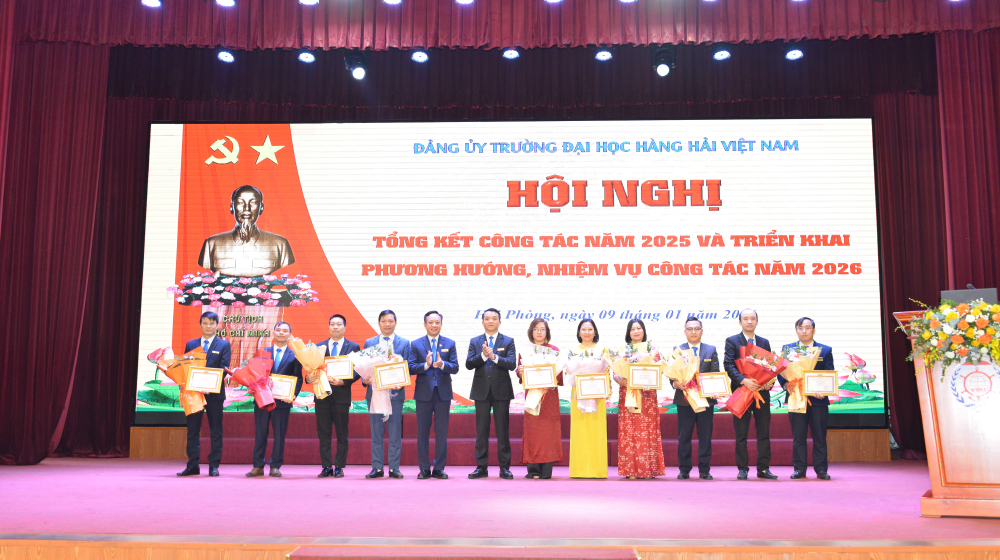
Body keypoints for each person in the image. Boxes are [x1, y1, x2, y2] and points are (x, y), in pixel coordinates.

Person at [723, 308, 778, 480]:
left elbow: (770, 367)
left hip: (761, 394)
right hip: (742, 392)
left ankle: (763, 468)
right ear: (740, 322)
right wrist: (743, 380)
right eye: (745, 319)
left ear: (757, 322)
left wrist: (769, 382)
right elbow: (728, 365)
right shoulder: (732, 341)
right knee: (741, 433)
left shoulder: (764, 342)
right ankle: (742, 469)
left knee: (764, 432)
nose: (749, 321)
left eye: (752, 318)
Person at [177, 311, 232, 477]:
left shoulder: (224, 345)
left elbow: (224, 368)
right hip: (194, 393)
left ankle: (214, 465)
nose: (208, 326)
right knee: (193, 430)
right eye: (205, 323)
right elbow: (186, 367)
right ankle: (193, 465)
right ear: (200, 325)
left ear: (217, 325)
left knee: (216, 430)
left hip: (214, 394)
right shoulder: (191, 344)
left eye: (212, 323)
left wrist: (209, 384)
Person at [778, 317, 834, 480]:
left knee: (820, 437)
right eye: (800, 328)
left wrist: (823, 390)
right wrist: (785, 384)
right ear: (796, 330)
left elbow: (829, 372)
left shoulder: (825, 350)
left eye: (808, 328)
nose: (804, 331)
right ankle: (799, 469)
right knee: (799, 437)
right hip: (796, 397)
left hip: (818, 401)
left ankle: (821, 470)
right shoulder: (787, 349)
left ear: (813, 330)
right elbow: (780, 371)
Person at [466, 308, 517, 479]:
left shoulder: (508, 341)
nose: (490, 321)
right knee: (481, 431)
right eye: (487, 318)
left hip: (502, 391)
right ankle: (481, 467)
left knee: (503, 431)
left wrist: (494, 357)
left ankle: (504, 468)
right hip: (481, 391)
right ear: (482, 322)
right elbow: (469, 364)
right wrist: (483, 355)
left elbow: (512, 364)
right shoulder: (475, 341)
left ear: (499, 322)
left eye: (494, 318)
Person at [198, 185, 294, 277]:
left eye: (253, 202)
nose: (247, 208)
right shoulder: (211, 244)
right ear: (232, 207)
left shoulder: (280, 244)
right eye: (240, 202)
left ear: (261, 208)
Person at [247, 321, 303, 478]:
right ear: (274, 332)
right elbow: (255, 374)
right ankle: (258, 466)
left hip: (282, 402)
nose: (281, 333)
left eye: (285, 331)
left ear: (289, 335)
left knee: (279, 435)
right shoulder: (263, 352)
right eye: (278, 330)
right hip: (262, 400)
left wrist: (293, 394)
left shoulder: (295, 355)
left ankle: (275, 466)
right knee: (260, 433)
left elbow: (298, 378)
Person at [408, 311, 459, 480]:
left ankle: (439, 468)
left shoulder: (450, 343)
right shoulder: (416, 344)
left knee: (441, 432)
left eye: (437, 322)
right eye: (431, 322)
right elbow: (410, 368)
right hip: (423, 394)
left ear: (441, 324)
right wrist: (426, 364)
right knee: (422, 432)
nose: (434, 325)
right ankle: (424, 468)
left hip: (443, 394)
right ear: (425, 324)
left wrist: (442, 364)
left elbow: (455, 367)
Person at [612, 319, 665, 479]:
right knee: (629, 430)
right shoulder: (623, 351)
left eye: (639, 328)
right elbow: (615, 371)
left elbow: (659, 371)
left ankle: (648, 469)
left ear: (643, 331)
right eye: (633, 329)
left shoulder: (652, 350)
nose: (636, 331)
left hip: (647, 395)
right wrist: (619, 380)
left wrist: (650, 380)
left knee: (647, 430)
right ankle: (630, 470)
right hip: (628, 393)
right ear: (628, 333)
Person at [311, 314, 361, 478]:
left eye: (339, 324)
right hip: (322, 396)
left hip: (341, 397)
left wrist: (344, 381)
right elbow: (312, 369)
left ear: (344, 327)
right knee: (323, 434)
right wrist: (309, 377)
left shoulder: (353, 346)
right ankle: (326, 466)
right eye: (332, 324)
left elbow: (358, 370)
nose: (335, 327)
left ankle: (339, 466)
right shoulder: (319, 347)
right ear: (329, 327)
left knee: (341, 434)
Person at [363, 310, 411, 479]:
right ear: (379, 323)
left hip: (395, 394)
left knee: (395, 433)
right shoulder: (370, 342)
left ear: (395, 323)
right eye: (384, 321)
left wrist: (401, 381)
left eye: (391, 321)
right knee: (376, 433)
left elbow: (407, 367)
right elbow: (364, 367)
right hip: (375, 393)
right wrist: (365, 380)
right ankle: (377, 468)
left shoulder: (404, 343)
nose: (387, 324)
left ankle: (394, 468)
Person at [672, 316, 719, 480]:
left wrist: (715, 388)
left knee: (705, 436)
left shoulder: (710, 350)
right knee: (684, 436)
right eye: (690, 329)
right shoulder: (678, 350)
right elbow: (673, 373)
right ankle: (684, 469)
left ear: (702, 331)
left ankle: (704, 469)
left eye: (696, 329)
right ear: (685, 331)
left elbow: (714, 373)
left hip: (705, 400)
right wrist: (675, 383)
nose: (693, 332)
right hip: (685, 400)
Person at [516, 318, 564, 479]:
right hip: (532, 395)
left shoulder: (554, 350)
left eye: (542, 329)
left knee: (548, 433)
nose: (539, 332)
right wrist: (520, 371)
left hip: (549, 397)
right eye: (536, 329)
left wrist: (553, 376)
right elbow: (520, 373)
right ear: (531, 332)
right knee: (533, 431)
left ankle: (546, 470)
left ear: (547, 332)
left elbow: (559, 376)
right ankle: (533, 470)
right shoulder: (525, 350)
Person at [568, 319, 609, 479]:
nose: (586, 332)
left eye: (590, 329)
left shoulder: (602, 350)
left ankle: (598, 470)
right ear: (579, 332)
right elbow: (569, 374)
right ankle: (579, 470)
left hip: (597, 395)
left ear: (595, 331)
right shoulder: (572, 351)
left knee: (596, 432)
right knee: (580, 432)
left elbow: (607, 373)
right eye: (583, 329)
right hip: (578, 396)